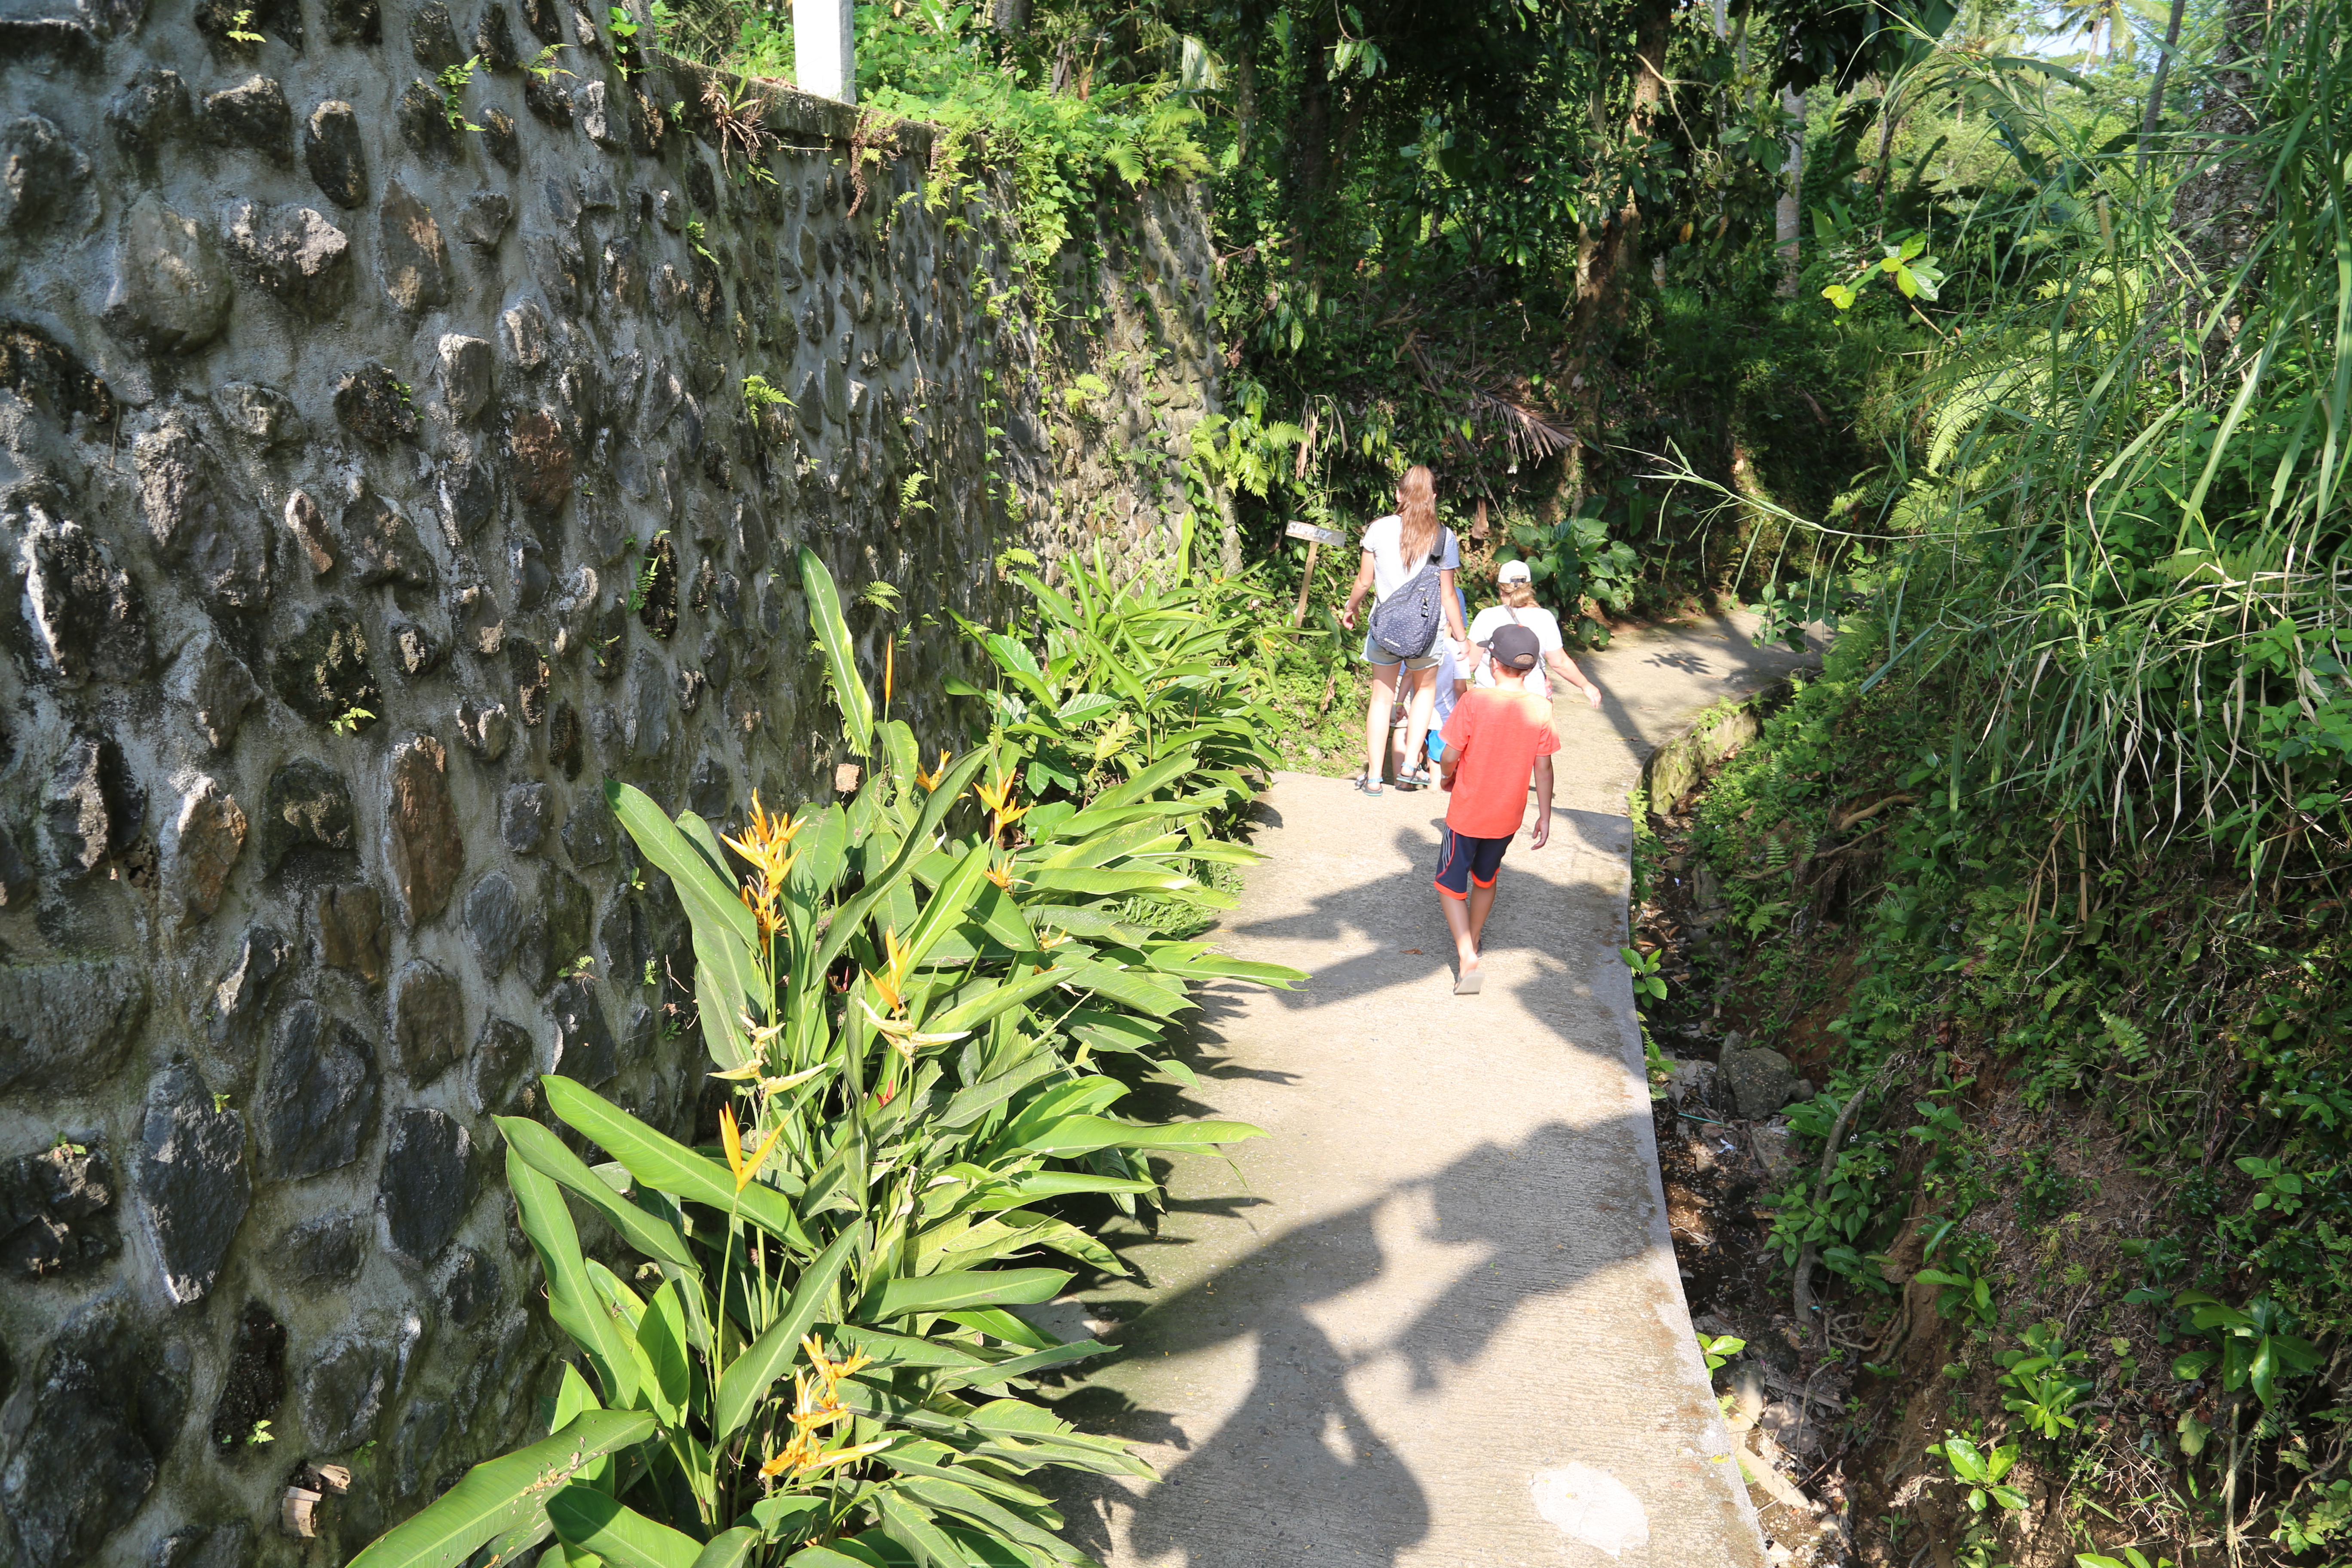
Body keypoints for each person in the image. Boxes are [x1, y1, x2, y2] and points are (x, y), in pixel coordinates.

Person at [1434, 622, 1559, 994]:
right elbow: (1545, 766)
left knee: (1449, 883)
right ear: (1531, 668)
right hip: (1508, 817)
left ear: (1493, 663)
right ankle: (1474, 939)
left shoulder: (1474, 701)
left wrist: (1447, 776)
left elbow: (1451, 754)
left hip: (1468, 811)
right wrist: (1546, 814)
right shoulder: (1541, 708)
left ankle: (1466, 954)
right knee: (1486, 879)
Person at [1336, 466, 1470, 794]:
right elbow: (1448, 593)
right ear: (1434, 498)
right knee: (1424, 693)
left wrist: (1350, 607)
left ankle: (1374, 778)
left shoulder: (1379, 529)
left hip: (1386, 629)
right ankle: (1411, 764)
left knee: (1381, 700)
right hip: (1427, 633)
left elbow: (1364, 581)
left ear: (1398, 495)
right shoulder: (1445, 536)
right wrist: (1462, 636)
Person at [1467, 559, 1605, 710]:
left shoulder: (1486, 616)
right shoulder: (1544, 617)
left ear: (1501, 590)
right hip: (1532, 703)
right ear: (1530, 588)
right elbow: (1559, 663)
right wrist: (1586, 686)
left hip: (1489, 701)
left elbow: (1471, 663)